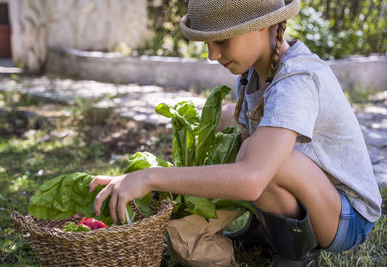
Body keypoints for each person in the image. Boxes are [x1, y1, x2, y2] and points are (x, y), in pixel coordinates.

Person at [90, 0, 382, 266]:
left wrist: (150, 177)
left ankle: (295, 253)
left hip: (347, 218)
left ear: (264, 26)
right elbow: (232, 121)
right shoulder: (255, 72)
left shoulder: (298, 80)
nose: (212, 54)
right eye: (207, 43)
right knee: (240, 132)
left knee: (259, 158)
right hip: (318, 201)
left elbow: (252, 179)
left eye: (222, 41)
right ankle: (265, 231)